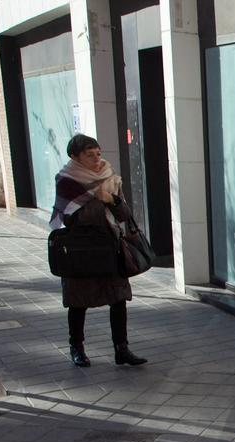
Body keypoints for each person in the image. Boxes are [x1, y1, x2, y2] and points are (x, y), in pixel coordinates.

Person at [51, 133, 148, 368]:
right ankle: (77, 348)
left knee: (119, 299)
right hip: (82, 251)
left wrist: (112, 200)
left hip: (110, 246)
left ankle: (121, 349)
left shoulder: (109, 177)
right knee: (78, 302)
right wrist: (100, 200)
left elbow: (124, 215)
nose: (96, 159)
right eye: (89, 155)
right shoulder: (67, 180)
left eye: (98, 154)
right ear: (75, 156)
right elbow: (73, 219)